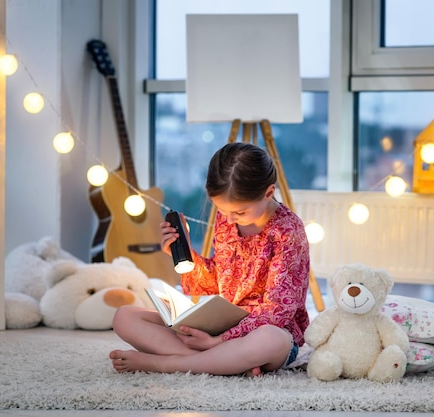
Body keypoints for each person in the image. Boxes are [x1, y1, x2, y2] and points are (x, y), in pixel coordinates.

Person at [109, 142, 310, 376]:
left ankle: (167, 364)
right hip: (220, 326)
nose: (230, 219)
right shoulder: (226, 219)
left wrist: (221, 340)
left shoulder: (288, 231)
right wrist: (183, 256)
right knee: (124, 317)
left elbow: (279, 311)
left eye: (240, 212)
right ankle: (225, 362)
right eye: (222, 210)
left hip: (264, 331)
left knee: (271, 340)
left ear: (268, 193)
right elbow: (219, 278)